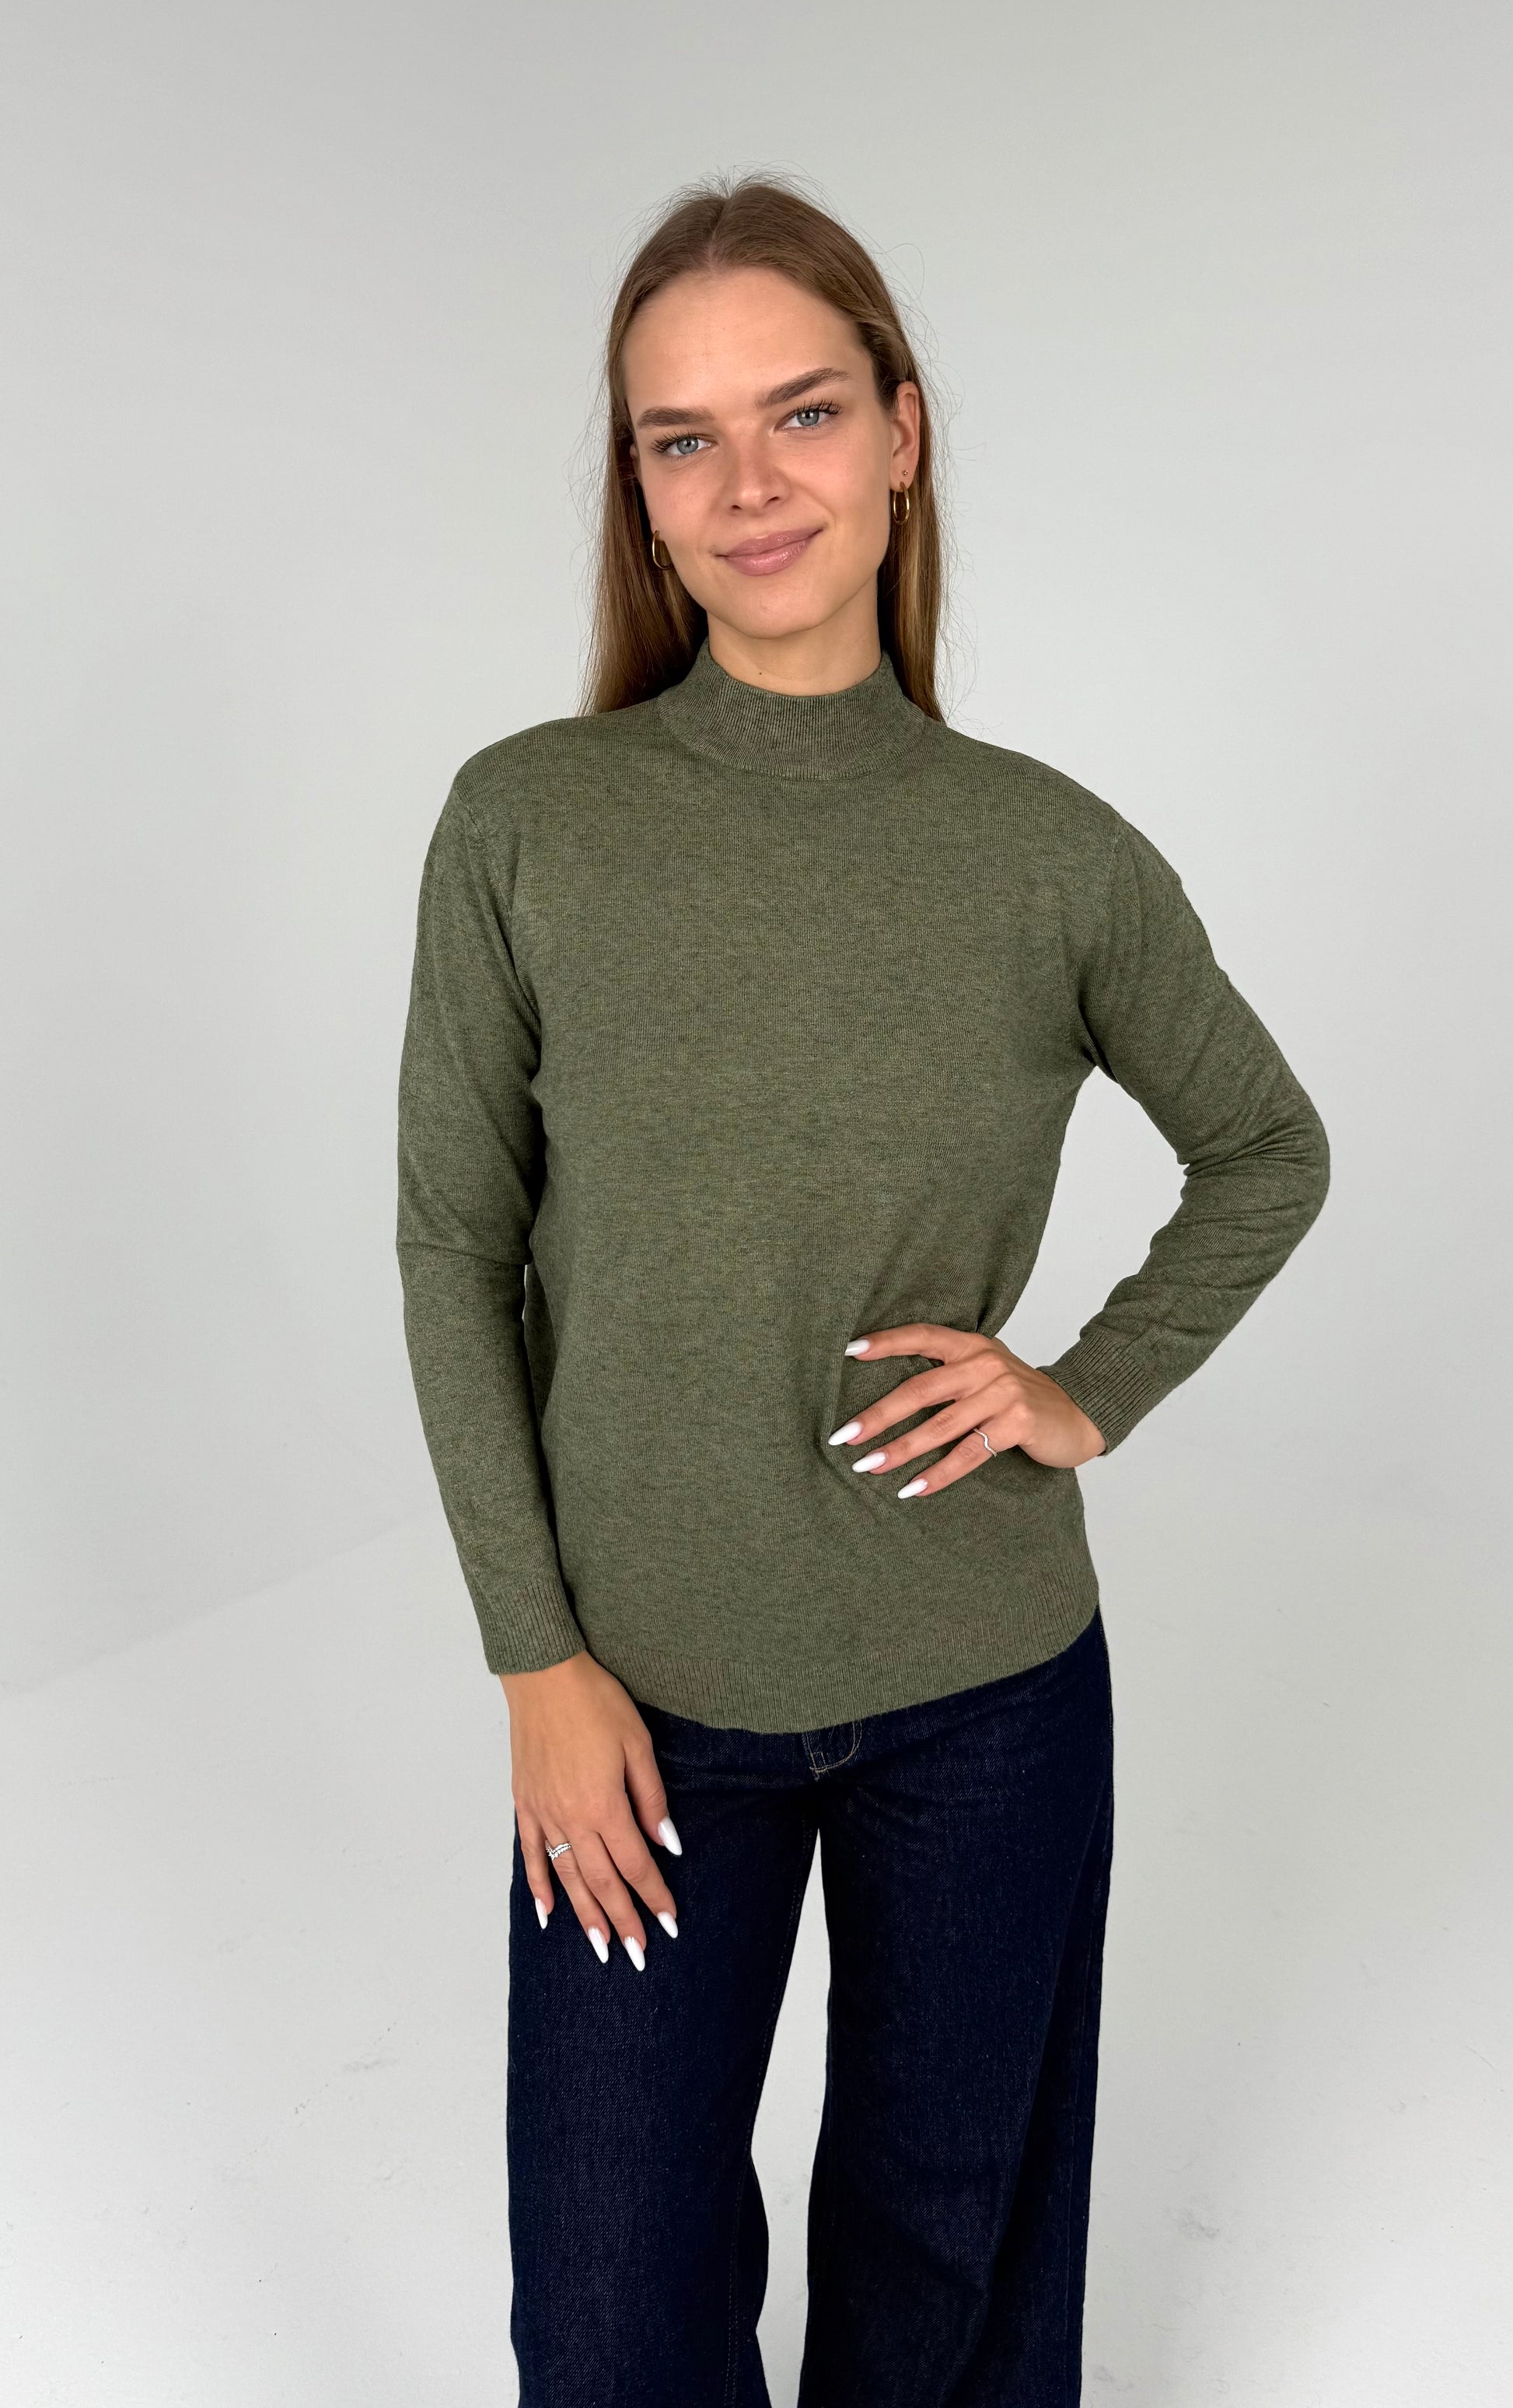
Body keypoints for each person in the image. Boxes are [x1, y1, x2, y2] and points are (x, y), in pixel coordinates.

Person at [396, 173, 1330, 2406]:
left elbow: (1266, 1145)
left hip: (987, 1691)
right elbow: (453, 1243)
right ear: (639, 492)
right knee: (613, 2309)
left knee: (947, 2282)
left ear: (902, 433)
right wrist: (535, 1655)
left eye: (802, 412)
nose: (750, 482)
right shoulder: (528, 822)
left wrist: (1083, 1387)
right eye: (683, 436)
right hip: (636, 1700)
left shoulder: (1047, 852)